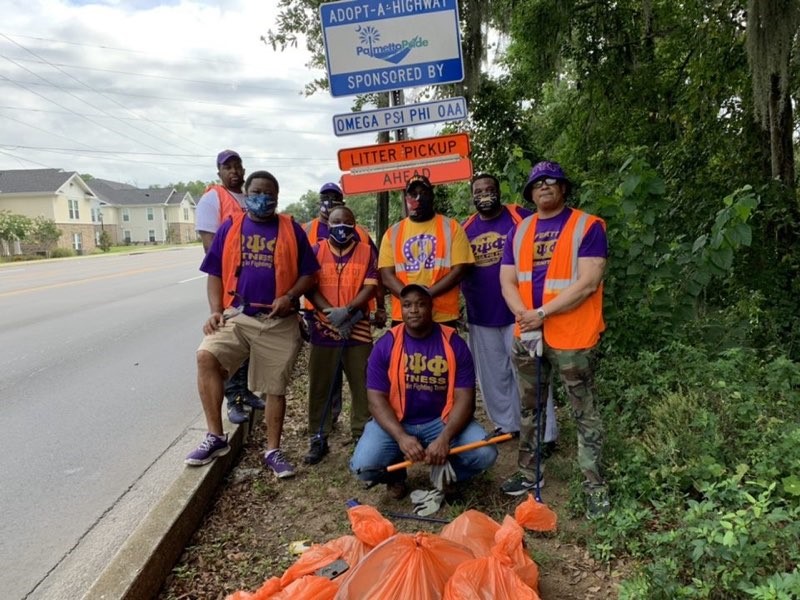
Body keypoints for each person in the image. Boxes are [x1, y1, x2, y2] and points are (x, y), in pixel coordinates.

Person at [185, 170, 319, 479]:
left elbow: (309, 274)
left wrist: (290, 296)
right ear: (247, 195)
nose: (263, 198)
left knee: (274, 387)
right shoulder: (231, 227)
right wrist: (215, 311)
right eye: (256, 192)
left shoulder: (291, 229)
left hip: (278, 321)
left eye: (269, 194)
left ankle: (273, 450)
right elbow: (215, 273)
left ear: (276, 198)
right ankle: (216, 438)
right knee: (206, 356)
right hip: (238, 315)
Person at [498, 160, 610, 519]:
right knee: (529, 408)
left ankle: (594, 485)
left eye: (552, 181)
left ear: (563, 188)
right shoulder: (520, 230)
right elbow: (508, 281)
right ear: (530, 193)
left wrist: (541, 313)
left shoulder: (587, 226)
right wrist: (524, 316)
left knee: (583, 411)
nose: (544, 186)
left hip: (572, 335)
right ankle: (528, 473)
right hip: (529, 332)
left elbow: (588, 282)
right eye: (537, 182)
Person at [350, 284, 497, 514]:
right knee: (362, 466)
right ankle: (396, 475)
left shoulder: (454, 344)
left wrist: (445, 438)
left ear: (431, 307)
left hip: (440, 421)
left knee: (485, 453)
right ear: (400, 309)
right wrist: (401, 438)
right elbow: (375, 400)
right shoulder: (385, 345)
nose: (414, 310)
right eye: (407, 305)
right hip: (400, 422)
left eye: (420, 304)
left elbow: (465, 400)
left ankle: (446, 474)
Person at [304, 206, 378, 464]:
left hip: (356, 328)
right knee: (320, 385)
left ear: (355, 224)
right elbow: (309, 286)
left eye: (347, 221)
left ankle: (362, 435)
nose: (342, 226)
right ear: (327, 223)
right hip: (323, 328)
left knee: (363, 384)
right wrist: (329, 312)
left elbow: (370, 287)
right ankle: (318, 436)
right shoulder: (316, 250)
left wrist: (348, 311)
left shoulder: (367, 252)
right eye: (336, 221)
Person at [194, 150, 264, 424]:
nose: (234, 172)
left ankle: (244, 391)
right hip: (230, 283)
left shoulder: (249, 197)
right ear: (219, 173)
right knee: (228, 342)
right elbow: (211, 246)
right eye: (228, 168)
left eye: (238, 167)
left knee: (247, 342)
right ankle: (233, 399)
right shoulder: (213, 198)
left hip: (252, 282)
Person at [461, 173, 531, 436]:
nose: (484, 195)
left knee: (528, 373)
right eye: (478, 191)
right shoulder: (465, 229)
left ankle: (542, 433)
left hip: (520, 312)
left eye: (489, 189)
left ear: (499, 192)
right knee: (493, 378)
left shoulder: (520, 217)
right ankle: (507, 425)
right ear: (472, 196)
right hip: (481, 314)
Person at [378, 175, 474, 328]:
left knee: (444, 352)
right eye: (412, 194)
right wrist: (412, 302)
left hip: (443, 314)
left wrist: (427, 296)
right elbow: (386, 275)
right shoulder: (393, 233)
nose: (417, 198)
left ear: (432, 195)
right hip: (405, 316)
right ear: (405, 198)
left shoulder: (452, 227)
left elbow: (459, 270)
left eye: (423, 192)